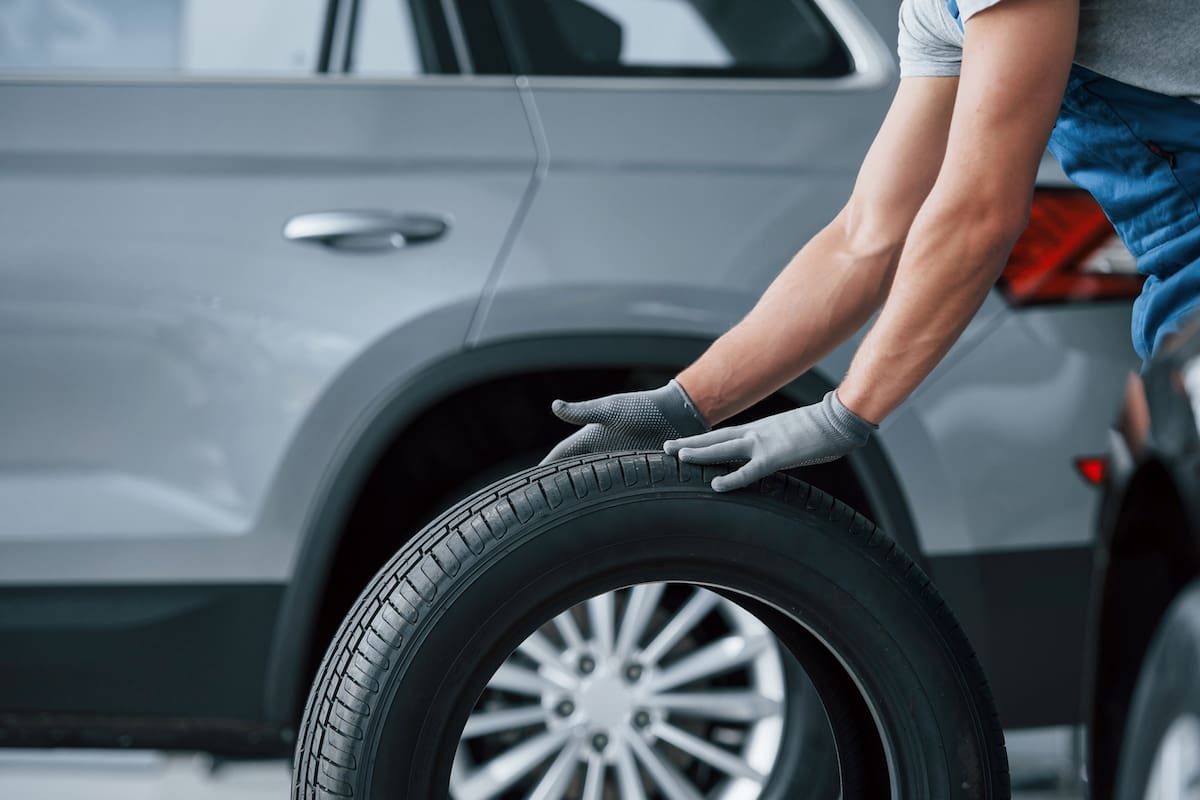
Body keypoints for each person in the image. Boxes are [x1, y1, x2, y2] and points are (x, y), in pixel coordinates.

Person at [541, 0, 1200, 491]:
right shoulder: (936, 12)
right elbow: (866, 237)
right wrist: (684, 404)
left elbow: (980, 213)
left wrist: (845, 414)